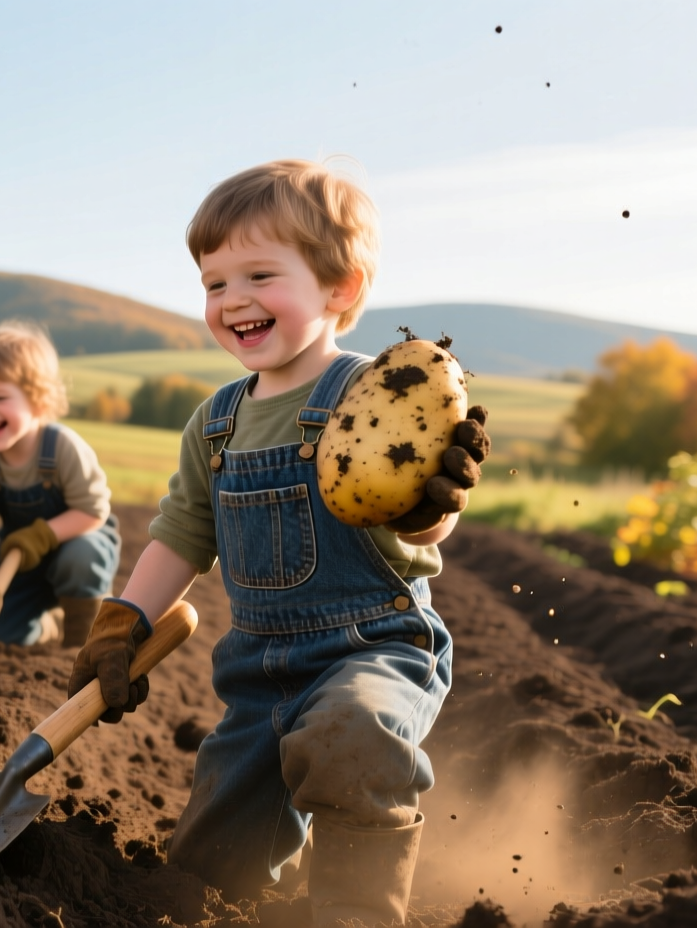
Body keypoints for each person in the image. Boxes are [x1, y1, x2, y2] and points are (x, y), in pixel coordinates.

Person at [67, 160, 491, 926]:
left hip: (374, 646)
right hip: (257, 675)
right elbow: (182, 535)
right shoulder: (217, 422)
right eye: (213, 283)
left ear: (341, 289)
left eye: (259, 275)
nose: (233, 301)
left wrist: (438, 503)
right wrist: (122, 620)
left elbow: (421, 523)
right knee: (206, 873)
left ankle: (355, 910)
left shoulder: (380, 395)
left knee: (352, 734)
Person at [0, 323, 119, 647]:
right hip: (21, 557)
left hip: (76, 542)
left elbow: (93, 510)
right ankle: (46, 626)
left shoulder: (62, 447)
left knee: (81, 557)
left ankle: (84, 640)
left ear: (39, 402)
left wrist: (42, 535)